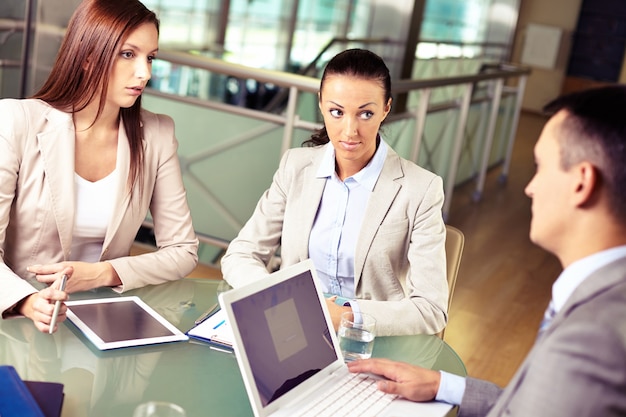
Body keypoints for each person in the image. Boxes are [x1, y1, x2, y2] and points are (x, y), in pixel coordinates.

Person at [347, 85, 626, 416]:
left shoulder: (592, 339)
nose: (530, 187)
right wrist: (444, 386)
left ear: (581, 182)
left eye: (540, 167)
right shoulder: (606, 298)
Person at [0, 0, 199, 333]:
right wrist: (24, 300)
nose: (144, 73)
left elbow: (182, 250)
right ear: (89, 57)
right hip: (22, 320)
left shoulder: (157, 133)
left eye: (150, 57)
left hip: (103, 321)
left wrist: (104, 273)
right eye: (128, 54)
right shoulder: (17, 121)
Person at [221, 49, 448, 336]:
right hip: (293, 327)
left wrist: (345, 316)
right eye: (337, 112)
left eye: (366, 113)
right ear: (321, 105)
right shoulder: (296, 167)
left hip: (370, 340)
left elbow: (431, 309)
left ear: (386, 108)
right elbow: (240, 254)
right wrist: (280, 297)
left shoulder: (420, 189)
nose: (349, 131)